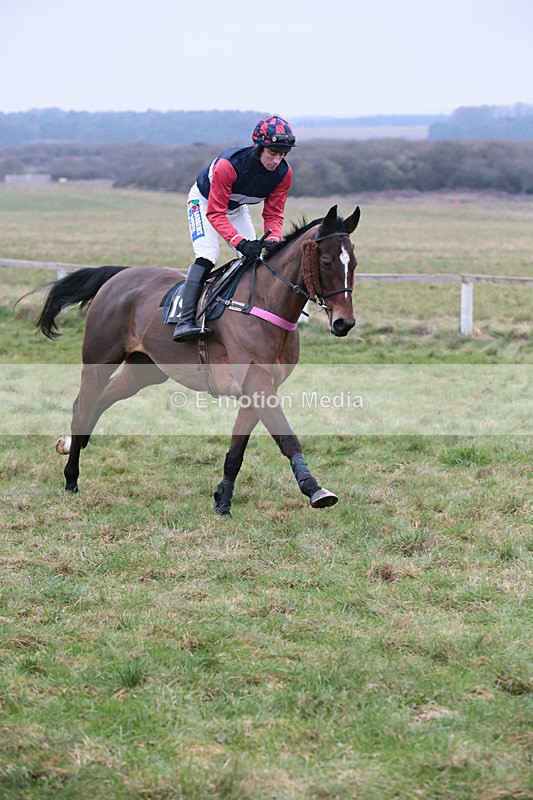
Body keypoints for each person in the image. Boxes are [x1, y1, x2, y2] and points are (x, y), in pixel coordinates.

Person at [172, 115, 296, 342]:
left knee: (256, 260)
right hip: (204, 203)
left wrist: (274, 239)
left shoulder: (283, 174)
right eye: (272, 153)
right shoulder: (228, 166)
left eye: (282, 154)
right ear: (258, 148)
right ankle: (185, 320)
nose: (277, 160)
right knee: (208, 255)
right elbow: (215, 213)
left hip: (237, 208)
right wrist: (240, 242)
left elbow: (274, 213)